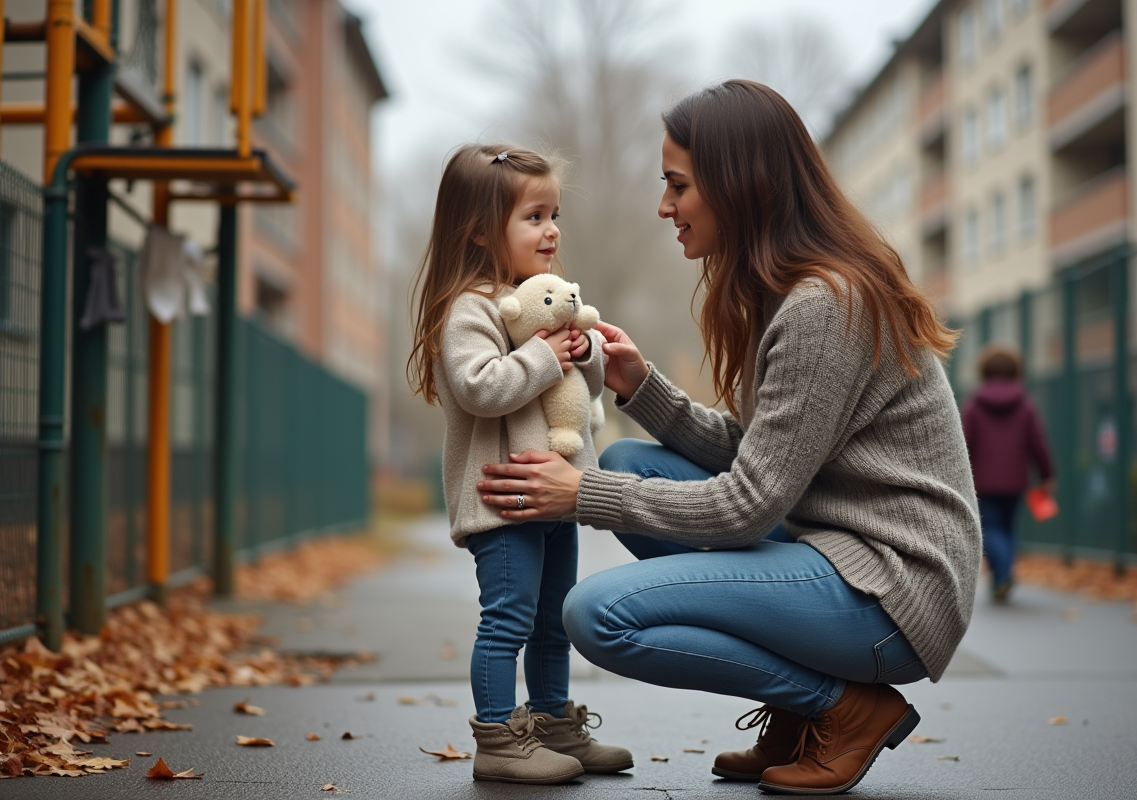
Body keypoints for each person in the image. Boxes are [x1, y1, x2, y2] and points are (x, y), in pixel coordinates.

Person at [474, 80, 982, 796]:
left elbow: (747, 505)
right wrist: (640, 387)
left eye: (677, 185)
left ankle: (839, 708)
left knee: (597, 615)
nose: (664, 206)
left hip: (890, 589)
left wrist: (581, 494)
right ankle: (799, 712)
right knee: (628, 459)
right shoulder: (789, 291)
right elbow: (763, 455)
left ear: (739, 182)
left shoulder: (825, 306)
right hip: (843, 556)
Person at [407, 143, 633, 784]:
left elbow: (579, 392)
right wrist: (545, 353)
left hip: (554, 493)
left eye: (553, 214)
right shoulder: (469, 309)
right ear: (479, 229)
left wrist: (584, 350)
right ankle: (499, 738)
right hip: (503, 501)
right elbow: (481, 387)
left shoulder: (540, 298)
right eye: (533, 216)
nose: (552, 229)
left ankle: (556, 724)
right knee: (507, 618)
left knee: (553, 618)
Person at [960, 345, 1054, 603]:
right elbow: (1037, 442)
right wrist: (1046, 475)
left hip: (982, 482)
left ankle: (1002, 575)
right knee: (1008, 527)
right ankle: (1003, 575)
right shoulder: (1025, 404)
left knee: (990, 529)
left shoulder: (974, 404)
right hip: (1015, 481)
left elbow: (964, 443)